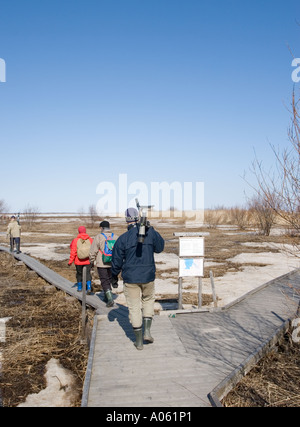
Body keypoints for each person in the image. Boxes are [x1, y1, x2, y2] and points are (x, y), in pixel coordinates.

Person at [111, 207, 164, 350]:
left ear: (126, 220)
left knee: (134, 308)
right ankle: (147, 331)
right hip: (148, 276)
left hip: (130, 279)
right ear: (138, 217)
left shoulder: (123, 238)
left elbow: (116, 260)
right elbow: (160, 247)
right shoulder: (150, 233)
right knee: (148, 301)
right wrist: (151, 229)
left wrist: (113, 277)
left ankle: (139, 342)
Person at [89, 220, 118, 307]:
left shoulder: (99, 237)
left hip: (102, 262)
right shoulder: (116, 237)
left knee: (104, 279)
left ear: (101, 228)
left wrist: (91, 260)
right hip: (112, 262)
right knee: (109, 278)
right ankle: (106, 296)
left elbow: (93, 250)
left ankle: (109, 299)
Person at [68, 226, 93, 293]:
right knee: (88, 273)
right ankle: (89, 287)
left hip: (78, 261)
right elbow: (93, 250)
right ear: (85, 231)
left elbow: (73, 251)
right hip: (88, 261)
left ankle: (79, 287)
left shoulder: (75, 240)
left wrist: (70, 261)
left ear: (79, 231)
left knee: (79, 274)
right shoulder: (90, 239)